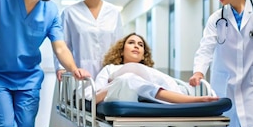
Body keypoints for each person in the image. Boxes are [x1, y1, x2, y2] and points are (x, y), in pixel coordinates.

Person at [91, 33, 219, 105]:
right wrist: (116, 85)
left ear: (143, 54)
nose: (136, 46)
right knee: (126, 79)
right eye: (131, 43)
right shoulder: (110, 69)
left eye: (140, 45)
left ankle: (192, 99)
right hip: (115, 96)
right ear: (121, 51)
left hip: (160, 97)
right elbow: (94, 95)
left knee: (129, 79)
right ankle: (194, 100)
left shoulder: (150, 72)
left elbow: (170, 84)